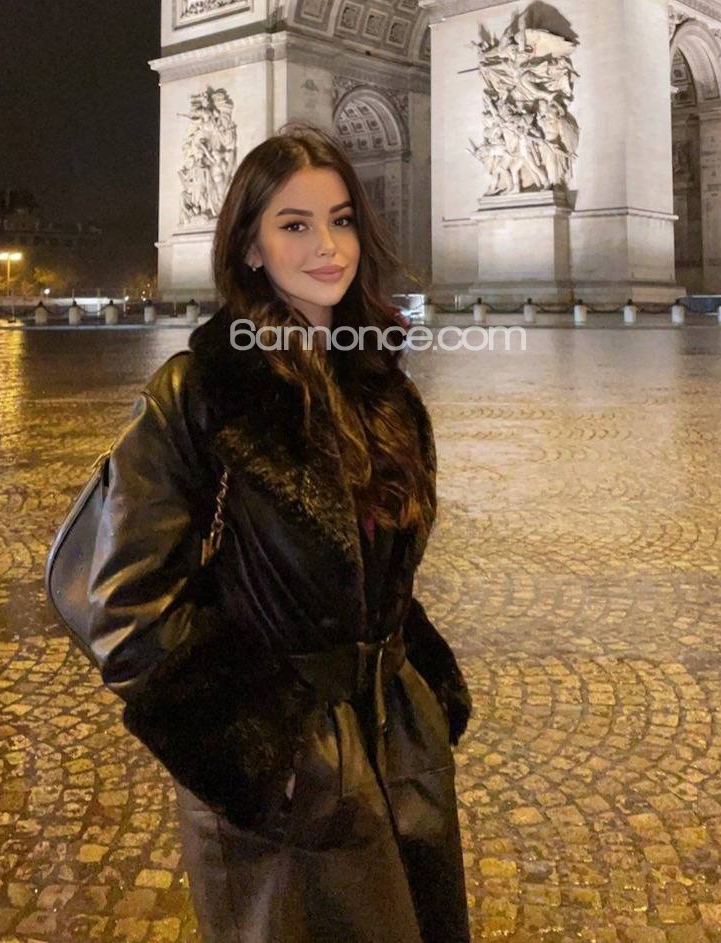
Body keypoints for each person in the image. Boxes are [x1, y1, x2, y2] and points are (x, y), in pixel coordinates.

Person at [86, 122, 473, 943]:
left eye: (341, 219)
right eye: (294, 224)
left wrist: (421, 684)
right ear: (250, 246)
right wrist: (265, 755)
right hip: (284, 780)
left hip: (397, 752)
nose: (327, 245)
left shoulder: (379, 386)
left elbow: (375, 570)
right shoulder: (200, 390)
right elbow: (124, 607)